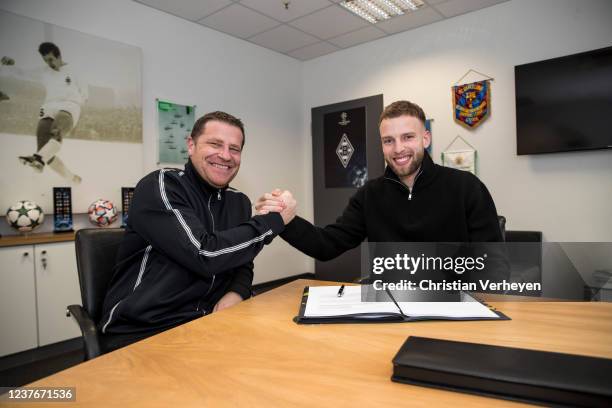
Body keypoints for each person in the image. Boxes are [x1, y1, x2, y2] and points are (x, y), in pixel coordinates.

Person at [99, 111, 295, 345]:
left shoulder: (238, 201)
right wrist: (272, 222)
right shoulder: (162, 185)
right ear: (191, 145)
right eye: (214, 144)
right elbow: (205, 253)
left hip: (208, 322)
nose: (225, 155)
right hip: (145, 329)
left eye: (234, 149)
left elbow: (241, 262)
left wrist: (237, 292)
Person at [256, 100, 503, 268]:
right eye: (388, 140)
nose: (398, 149)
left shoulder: (466, 187)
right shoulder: (369, 195)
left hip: (452, 307)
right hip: (389, 306)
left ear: (425, 138)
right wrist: (287, 221)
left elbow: (494, 263)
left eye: (408, 137)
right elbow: (327, 245)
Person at [1, 42, 86, 183]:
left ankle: (38, 159)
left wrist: (76, 106)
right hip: (49, 106)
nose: (49, 63)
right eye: (45, 60)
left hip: (69, 106)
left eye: (51, 59)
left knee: (56, 131)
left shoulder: (75, 71)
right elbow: (23, 73)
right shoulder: (44, 71)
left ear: (59, 56)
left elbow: (84, 94)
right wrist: (11, 65)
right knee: (43, 149)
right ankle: (72, 178)